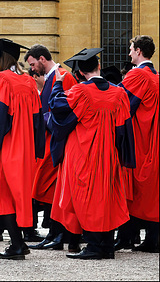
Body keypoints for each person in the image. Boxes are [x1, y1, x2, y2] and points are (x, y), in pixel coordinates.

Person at [48, 47, 135, 260]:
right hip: (109, 153)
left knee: (87, 198)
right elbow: (123, 129)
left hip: (84, 153)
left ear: (79, 73)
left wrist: (58, 83)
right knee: (108, 197)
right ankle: (107, 245)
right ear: (99, 67)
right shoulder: (119, 93)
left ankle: (95, 245)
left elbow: (57, 107)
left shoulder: (80, 91)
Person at [0, 36, 45, 260]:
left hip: (7, 145)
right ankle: (20, 241)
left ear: (1, 57)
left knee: (4, 194)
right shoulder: (29, 81)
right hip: (26, 146)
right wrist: (38, 149)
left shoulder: (0, 79)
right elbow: (38, 119)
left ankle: (17, 245)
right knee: (21, 195)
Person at [24, 44, 79, 252]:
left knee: (56, 188)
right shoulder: (51, 78)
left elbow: (68, 108)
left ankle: (59, 233)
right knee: (48, 189)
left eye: (32, 64)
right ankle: (54, 233)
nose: (32, 69)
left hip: (58, 141)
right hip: (49, 141)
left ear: (42, 59)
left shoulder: (63, 76)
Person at [115, 35, 158, 253]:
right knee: (151, 190)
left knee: (131, 188)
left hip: (139, 140)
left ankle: (127, 237)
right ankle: (149, 237)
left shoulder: (138, 75)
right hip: (153, 139)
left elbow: (120, 102)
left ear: (139, 51)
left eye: (131, 49)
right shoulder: (156, 76)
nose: (129, 53)